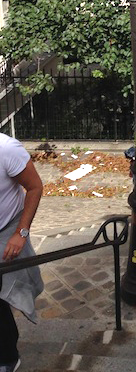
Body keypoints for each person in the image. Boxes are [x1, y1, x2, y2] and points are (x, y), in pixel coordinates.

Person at [1, 133, 44, 372]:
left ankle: (7, 357)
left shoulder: (6, 149)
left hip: (7, 228)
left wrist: (21, 232)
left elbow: (35, 187)